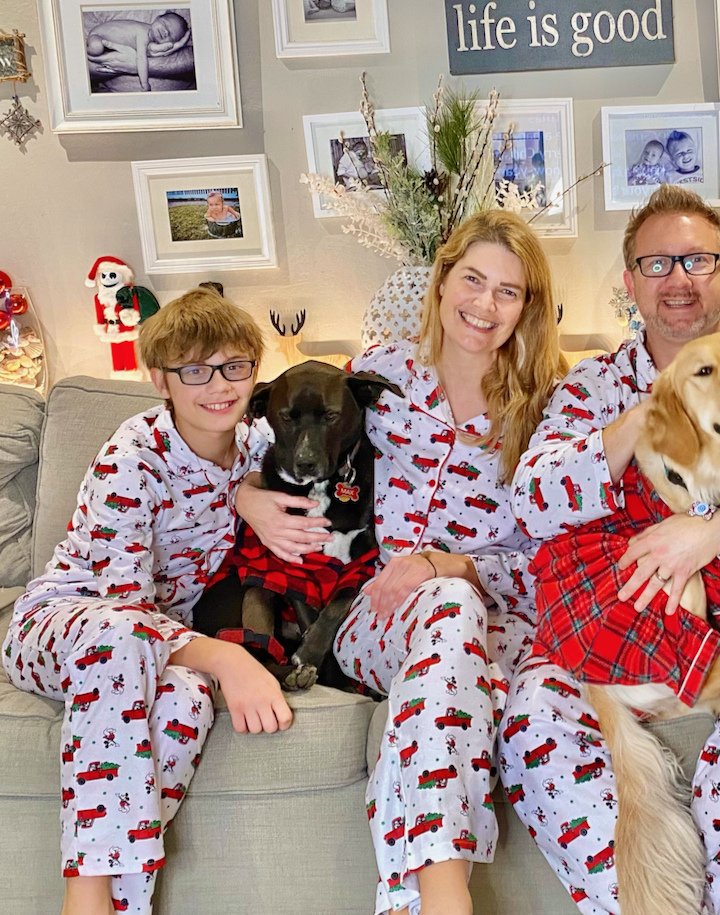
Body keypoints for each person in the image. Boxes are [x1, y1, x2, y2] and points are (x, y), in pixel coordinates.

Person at [501, 183, 720, 915]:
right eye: (657, 264)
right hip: (606, 624)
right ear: (629, 282)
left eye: (698, 259)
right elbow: (530, 504)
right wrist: (635, 422)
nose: (679, 279)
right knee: (531, 711)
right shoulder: (589, 387)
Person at [235, 209, 566, 915]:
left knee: (458, 610)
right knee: (448, 612)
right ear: (442, 279)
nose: (484, 304)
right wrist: (246, 495)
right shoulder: (382, 371)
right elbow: (261, 425)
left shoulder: (549, 407)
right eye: (472, 279)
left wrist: (449, 563)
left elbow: (552, 558)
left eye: (508, 291)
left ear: (528, 307)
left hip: (497, 627)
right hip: (374, 620)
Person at [2, 289, 291, 915]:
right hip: (65, 624)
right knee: (126, 643)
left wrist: (246, 488)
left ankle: (121, 907)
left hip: (155, 646)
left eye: (235, 366)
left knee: (187, 703)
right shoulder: (133, 455)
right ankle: (82, 897)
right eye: (195, 370)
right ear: (160, 378)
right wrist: (227, 659)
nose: (218, 385)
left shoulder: (257, 442)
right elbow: (124, 607)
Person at [83, 10, 190, 92]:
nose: (165, 31)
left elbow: (150, 48)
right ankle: (84, 49)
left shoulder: (151, 34)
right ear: (157, 18)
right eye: (164, 24)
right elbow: (141, 58)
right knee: (96, 48)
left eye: (170, 35)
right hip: (97, 36)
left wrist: (175, 46)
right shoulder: (143, 33)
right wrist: (145, 84)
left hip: (108, 43)